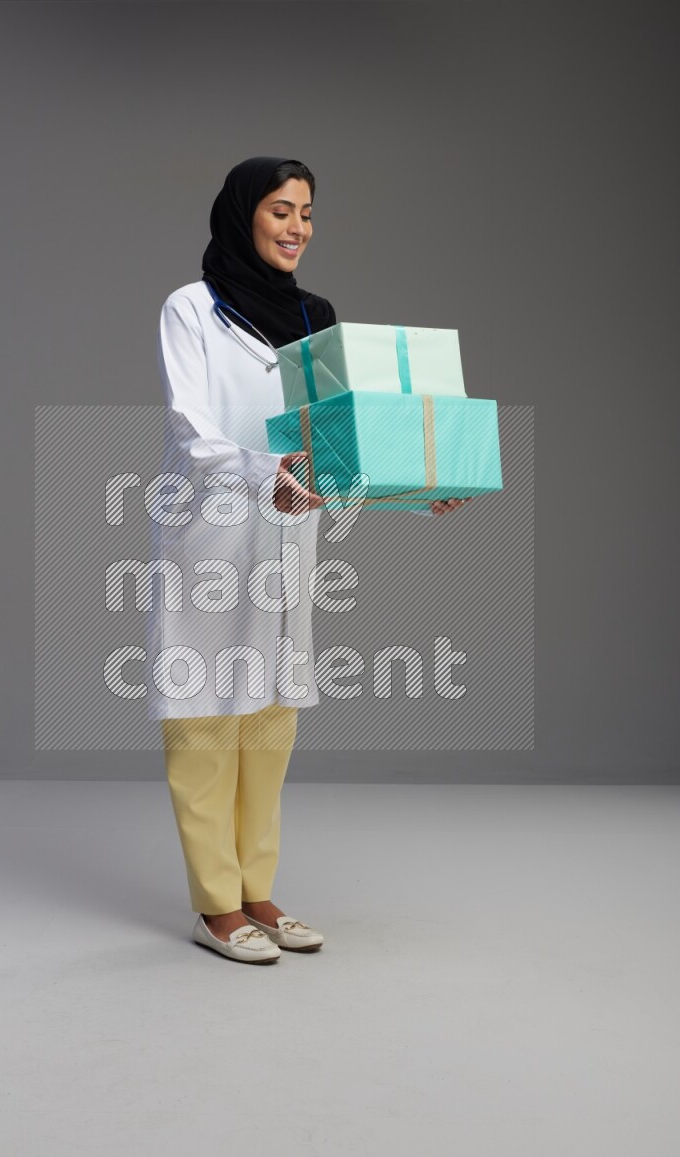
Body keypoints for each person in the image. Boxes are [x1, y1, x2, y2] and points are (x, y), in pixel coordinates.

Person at [148, 156, 469, 965]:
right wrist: (271, 479)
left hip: (290, 536)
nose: (297, 226)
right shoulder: (192, 309)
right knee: (205, 714)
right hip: (214, 531)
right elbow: (194, 431)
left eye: (308, 213)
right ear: (242, 214)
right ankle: (215, 904)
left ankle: (258, 889)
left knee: (270, 718)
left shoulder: (316, 319)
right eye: (281, 209)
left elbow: (341, 440)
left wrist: (415, 485)